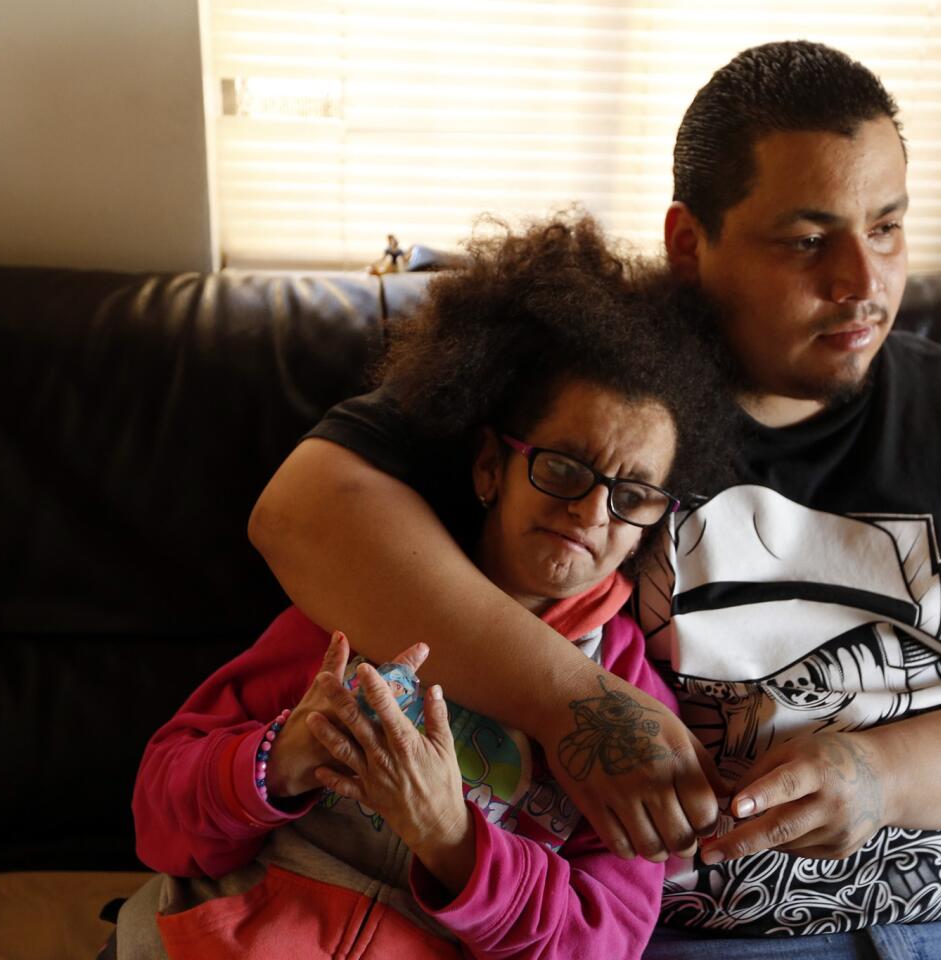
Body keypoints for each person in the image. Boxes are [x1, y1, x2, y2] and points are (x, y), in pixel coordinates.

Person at [248, 42, 941, 958]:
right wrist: (578, 704)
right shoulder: (591, 386)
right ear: (688, 244)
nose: (864, 286)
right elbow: (304, 510)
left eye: (886, 228)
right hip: (661, 938)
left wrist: (879, 778)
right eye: (806, 240)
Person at [110, 217, 739, 960]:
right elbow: (159, 817)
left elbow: (596, 946)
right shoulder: (362, 598)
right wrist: (276, 761)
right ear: (488, 467)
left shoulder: (633, 707)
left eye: (631, 495)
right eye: (564, 467)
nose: (590, 511)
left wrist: (455, 842)